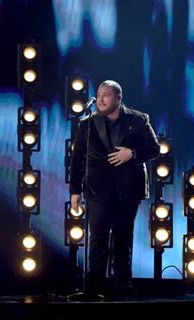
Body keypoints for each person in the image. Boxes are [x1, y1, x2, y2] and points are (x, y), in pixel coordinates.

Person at [69, 80, 160, 295]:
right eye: (99, 95)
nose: (100, 99)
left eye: (106, 95)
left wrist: (133, 154)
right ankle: (93, 287)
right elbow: (76, 159)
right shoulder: (87, 124)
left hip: (128, 189)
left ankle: (122, 285)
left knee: (123, 237)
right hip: (97, 190)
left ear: (118, 98)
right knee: (97, 239)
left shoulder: (138, 120)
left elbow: (154, 148)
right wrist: (75, 191)